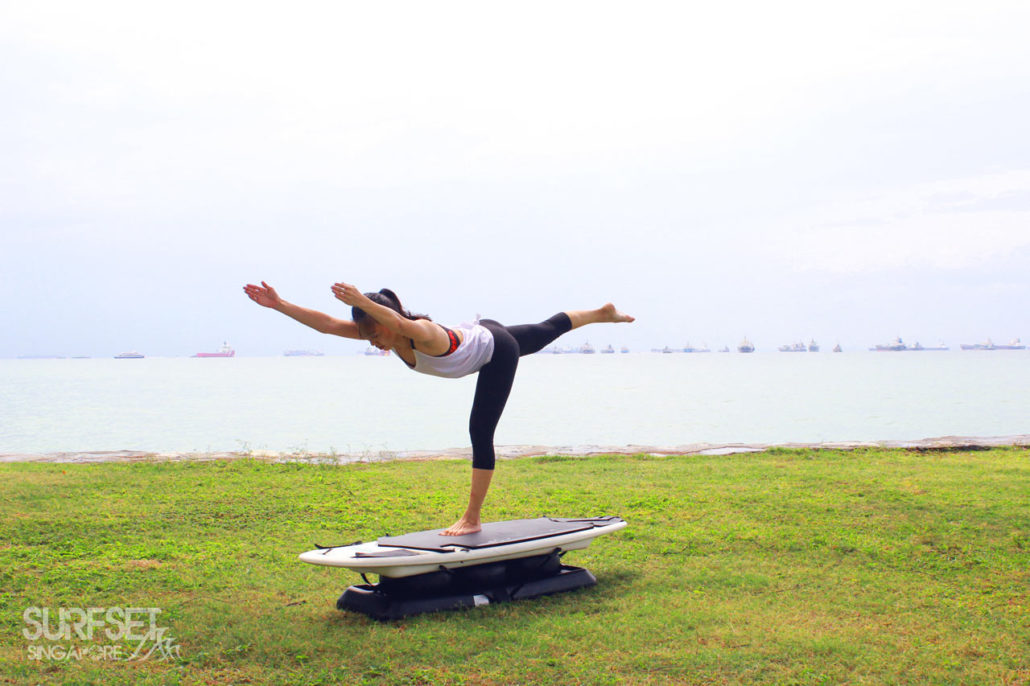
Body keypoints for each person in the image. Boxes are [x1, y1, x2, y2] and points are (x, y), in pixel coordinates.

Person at [243, 280, 634, 536]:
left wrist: (362, 301)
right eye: (367, 335)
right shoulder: (386, 334)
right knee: (546, 330)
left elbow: (395, 322)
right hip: (483, 332)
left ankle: (472, 518)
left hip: (496, 350)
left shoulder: (421, 332)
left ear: (390, 321)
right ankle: (602, 313)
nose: (374, 340)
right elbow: (328, 324)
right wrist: (279, 305)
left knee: (480, 432)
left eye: (376, 331)